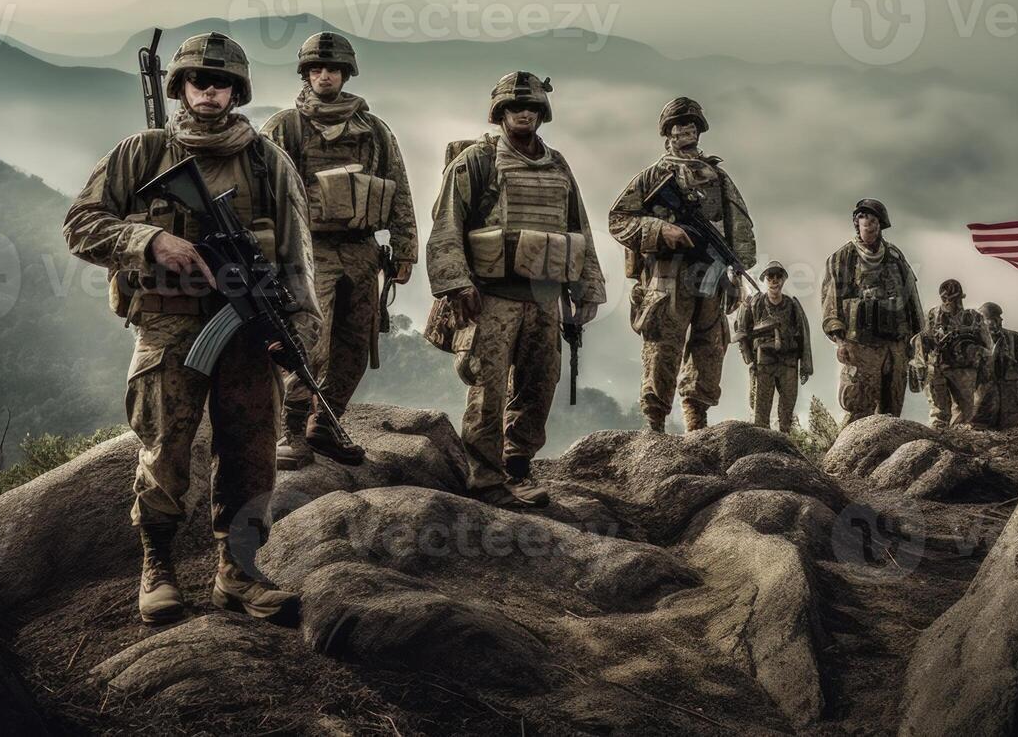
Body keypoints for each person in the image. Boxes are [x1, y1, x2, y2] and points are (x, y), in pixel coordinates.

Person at [63, 31, 313, 625]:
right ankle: (158, 567)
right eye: (199, 80)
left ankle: (238, 572)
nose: (209, 90)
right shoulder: (142, 153)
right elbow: (79, 225)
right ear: (179, 87)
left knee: (251, 451)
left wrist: (299, 330)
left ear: (237, 90)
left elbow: (300, 257)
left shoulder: (266, 159)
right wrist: (148, 239)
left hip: (249, 332)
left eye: (221, 81)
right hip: (168, 328)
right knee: (164, 447)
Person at [425, 71, 606, 507]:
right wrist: (456, 285)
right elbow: (446, 226)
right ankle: (485, 477)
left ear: (542, 114)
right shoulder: (476, 161)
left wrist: (587, 288)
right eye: (513, 108)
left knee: (538, 384)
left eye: (531, 108)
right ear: (500, 113)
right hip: (492, 295)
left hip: (544, 295)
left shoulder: (558, 164)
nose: (523, 114)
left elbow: (576, 226)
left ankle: (519, 467)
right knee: (487, 389)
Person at [261, 32, 414, 470]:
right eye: (316, 69)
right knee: (306, 342)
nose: (324, 75)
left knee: (353, 342)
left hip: (362, 251)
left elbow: (398, 188)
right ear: (306, 74)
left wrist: (404, 248)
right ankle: (290, 430)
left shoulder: (374, 130)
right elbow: (263, 193)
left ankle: (326, 422)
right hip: (307, 253)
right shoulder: (285, 126)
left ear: (346, 74)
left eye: (332, 69)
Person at [607, 97, 757, 432]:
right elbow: (618, 220)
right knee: (663, 348)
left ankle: (696, 421)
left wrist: (736, 274)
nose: (687, 128)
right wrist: (662, 229)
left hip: (711, 275)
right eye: (679, 124)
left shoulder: (717, 177)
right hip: (667, 276)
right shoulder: (652, 178)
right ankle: (655, 423)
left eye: (693, 124)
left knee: (711, 347)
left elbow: (737, 227)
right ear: (668, 132)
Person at [819, 199, 922, 421]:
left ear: (881, 224)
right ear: (857, 223)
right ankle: (849, 455)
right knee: (859, 406)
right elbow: (832, 301)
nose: (870, 224)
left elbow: (911, 296)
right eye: (864, 218)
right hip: (861, 343)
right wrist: (840, 341)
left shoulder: (894, 256)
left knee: (892, 409)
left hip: (895, 342)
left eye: (874, 220)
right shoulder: (843, 257)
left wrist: (916, 338)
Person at [733, 260, 812, 433]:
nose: (774, 280)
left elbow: (804, 335)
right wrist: (749, 359)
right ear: (765, 279)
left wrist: (805, 365)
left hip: (788, 364)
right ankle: (762, 450)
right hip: (764, 364)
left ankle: (784, 450)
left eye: (778, 276)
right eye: (770, 276)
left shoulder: (792, 305)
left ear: (783, 279)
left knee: (786, 415)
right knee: (761, 416)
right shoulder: (755, 304)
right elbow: (742, 331)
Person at [911, 279, 990, 428]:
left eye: (956, 299)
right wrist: (920, 367)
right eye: (950, 300)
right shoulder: (932, 315)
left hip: (964, 370)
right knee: (939, 413)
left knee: (964, 413)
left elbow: (987, 346)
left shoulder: (973, 317)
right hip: (937, 368)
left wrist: (982, 364)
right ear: (943, 299)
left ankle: (958, 444)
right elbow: (920, 342)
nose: (955, 303)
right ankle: (936, 443)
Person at [975, 301, 1018, 430]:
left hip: (1011, 418)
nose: (997, 321)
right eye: (990, 319)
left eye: (997, 318)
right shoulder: (972, 344)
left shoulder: (1016, 340)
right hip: (982, 420)